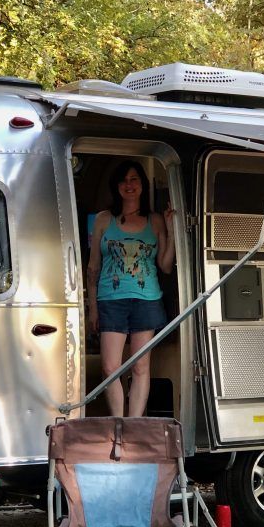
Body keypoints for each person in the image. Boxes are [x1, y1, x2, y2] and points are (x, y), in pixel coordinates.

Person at [87, 161, 175, 416]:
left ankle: (134, 424)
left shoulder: (154, 220)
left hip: (146, 299)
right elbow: (93, 266)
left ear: (142, 185)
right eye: (124, 180)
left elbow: (165, 266)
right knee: (110, 367)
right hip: (110, 299)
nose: (129, 185)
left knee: (140, 366)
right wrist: (93, 307)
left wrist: (171, 232)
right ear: (116, 186)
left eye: (134, 179)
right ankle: (119, 422)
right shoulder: (103, 219)